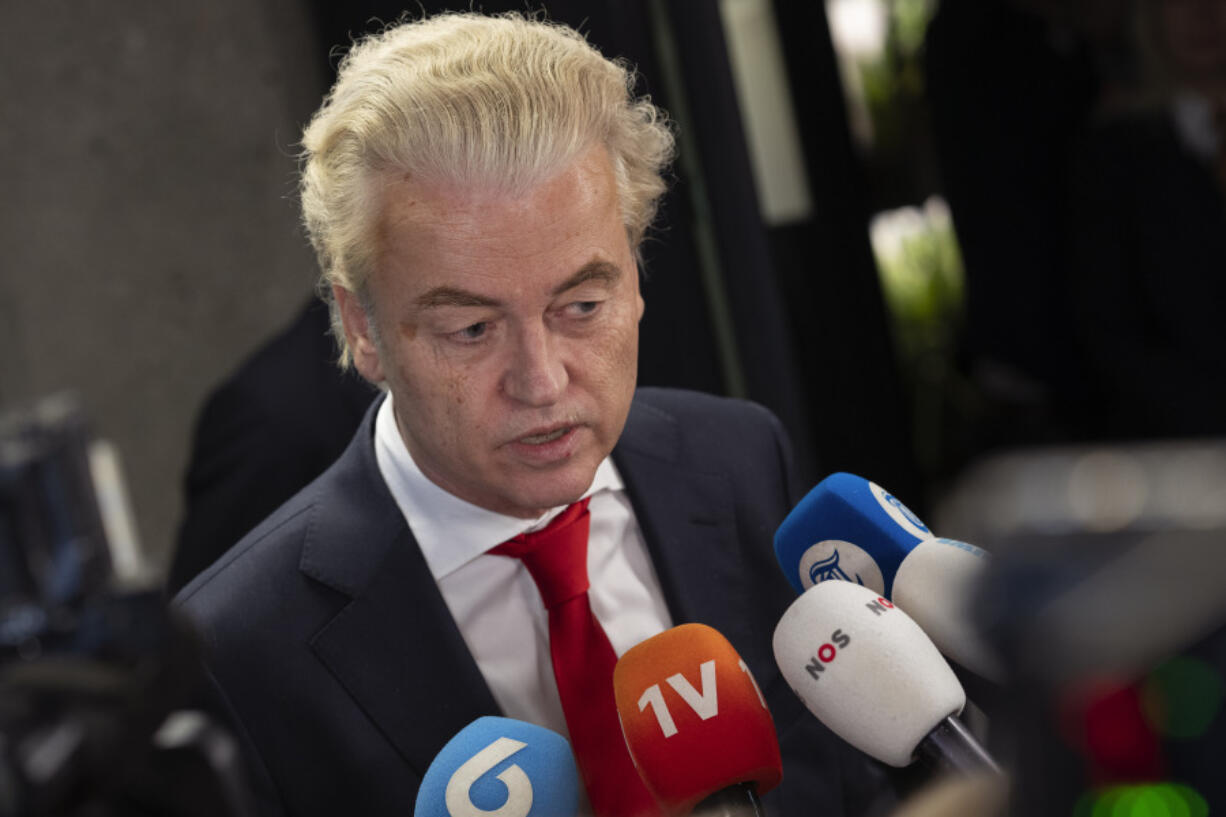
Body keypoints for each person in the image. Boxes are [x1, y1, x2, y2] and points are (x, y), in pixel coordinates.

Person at [176, 12, 892, 817]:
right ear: (361, 330)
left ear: (636, 277)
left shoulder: (741, 461)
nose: (543, 379)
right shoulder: (233, 650)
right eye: (471, 329)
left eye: (583, 304)